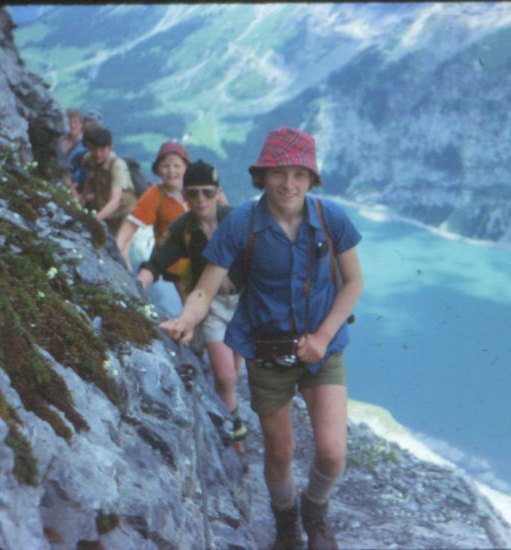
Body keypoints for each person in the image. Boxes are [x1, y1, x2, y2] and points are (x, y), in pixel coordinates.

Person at [159, 128, 363, 550]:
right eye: (278, 174)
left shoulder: (331, 218)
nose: (289, 184)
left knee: (331, 453)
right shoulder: (241, 224)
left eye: (299, 174)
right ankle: (286, 521)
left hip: (323, 351)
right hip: (268, 353)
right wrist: (187, 319)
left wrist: (324, 337)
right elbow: (205, 288)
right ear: (262, 176)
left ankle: (315, 510)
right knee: (281, 452)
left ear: (311, 178)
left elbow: (354, 283)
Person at [136, 160, 248, 447]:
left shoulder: (236, 220)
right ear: (184, 195)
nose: (200, 200)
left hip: (244, 304)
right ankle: (237, 440)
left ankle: (230, 422)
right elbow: (157, 260)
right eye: (193, 193)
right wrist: (137, 285)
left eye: (207, 192)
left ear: (218, 192)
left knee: (232, 374)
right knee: (225, 376)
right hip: (210, 306)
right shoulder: (182, 228)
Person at [116, 141, 190, 276]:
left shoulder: (199, 189)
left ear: (186, 167)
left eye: (177, 166)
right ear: (158, 170)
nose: (171, 171)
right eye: (165, 166)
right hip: (174, 265)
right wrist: (118, 260)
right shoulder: (155, 194)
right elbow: (129, 227)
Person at [80, 126, 137, 236]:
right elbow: (89, 178)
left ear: (111, 148)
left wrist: (95, 219)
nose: (98, 154)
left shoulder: (117, 166)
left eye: (102, 149)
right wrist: (83, 199)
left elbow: (115, 200)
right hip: (106, 212)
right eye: (94, 149)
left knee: (119, 246)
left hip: (124, 212)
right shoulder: (89, 159)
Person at [55, 108, 83, 196]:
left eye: (75, 122)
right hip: (62, 180)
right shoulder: (61, 141)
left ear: (81, 124)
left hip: (80, 184)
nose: (72, 126)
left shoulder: (85, 143)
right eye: (69, 123)